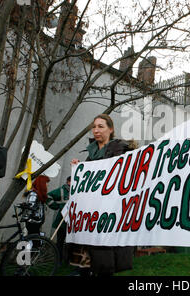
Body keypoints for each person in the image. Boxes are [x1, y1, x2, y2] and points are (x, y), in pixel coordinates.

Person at [69, 114, 135, 276]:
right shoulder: (91, 153)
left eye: (101, 126)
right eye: (94, 127)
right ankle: (85, 270)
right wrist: (78, 169)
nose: (96, 130)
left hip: (109, 211)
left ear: (111, 129)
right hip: (90, 212)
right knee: (87, 253)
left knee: (104, 254)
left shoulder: (120, 150)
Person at [46, 176, 71, 264]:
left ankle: (68, 261)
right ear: (68, 181)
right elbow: (48, 196)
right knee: (60, 241)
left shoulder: (77, 191)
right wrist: (56, 206)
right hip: (62, 221)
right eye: (72, 181)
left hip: (73, 223)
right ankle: (58, 260)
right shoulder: (61, 190)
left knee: (71, 243)